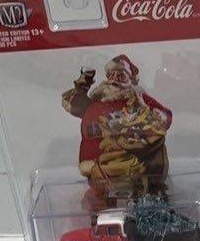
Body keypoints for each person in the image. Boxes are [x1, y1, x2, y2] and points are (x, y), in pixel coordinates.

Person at [62, 54, 173, 208]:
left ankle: (149, 196)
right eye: (111, 75)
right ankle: (101, 203)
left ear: (130, 79)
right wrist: (83, 85)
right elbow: (73, 105)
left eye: (121, 76)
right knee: (100, 195)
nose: (114, 80)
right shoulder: (97, 101)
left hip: (133, 160)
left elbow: (165, 118)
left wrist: (144, 107)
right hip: (97, 166)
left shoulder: (138, 99)